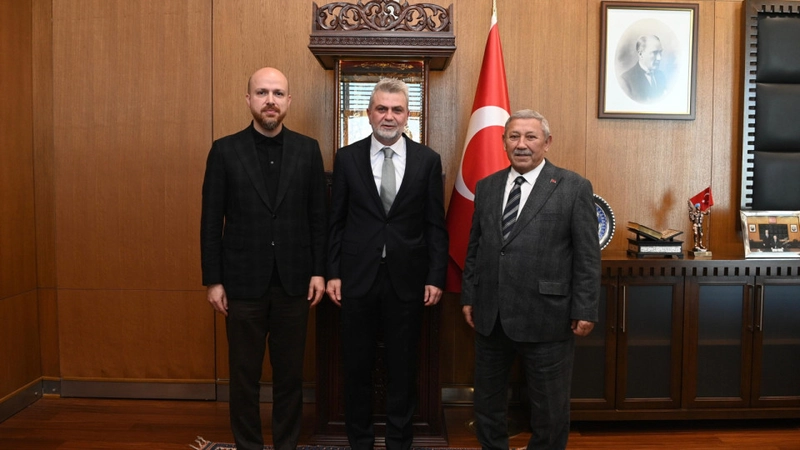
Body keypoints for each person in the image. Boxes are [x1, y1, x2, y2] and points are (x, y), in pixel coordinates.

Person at [200, 67, 327, 450]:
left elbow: (318, 218)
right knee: (244, 377)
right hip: (241, 285)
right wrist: (213, 280)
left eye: (277, 93)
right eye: (262, 92)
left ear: (288, 101)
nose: (270, 100)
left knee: (290, 377)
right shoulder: (224, 150)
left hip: (294, 283)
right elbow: (211, 220)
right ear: (248, 99)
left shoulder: (308, 149)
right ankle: (249, 446)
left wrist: (319, 272)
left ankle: (286, 444)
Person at [461, 109, 601, 450]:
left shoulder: (573, 187)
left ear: (547, 143)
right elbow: (475, 247)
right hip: (491, 314)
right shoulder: (487, 186)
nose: (521, 144)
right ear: (504, 142)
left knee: (550, 407)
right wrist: (469, 296)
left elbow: (587, 256)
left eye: (530, 137)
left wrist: (585, 309)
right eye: (514, 136)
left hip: (548, 315)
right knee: (487, 402)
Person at [325, 78, 449, 450]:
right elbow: (336, 221)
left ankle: (399, 442)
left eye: (397, 110)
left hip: (408, 280)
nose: (389, 116)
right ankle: (360, 442)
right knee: (356, 366)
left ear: (408, 115)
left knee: (403, 367)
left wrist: (436, 276)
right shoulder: (347, 158)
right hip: (356, 279)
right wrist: (333, 272)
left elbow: (435, 225)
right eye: (381, 108)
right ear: (369, 113)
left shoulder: (428, 160)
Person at [620, 35, 667, 103]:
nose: (659, 58)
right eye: (654, 53)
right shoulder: (626, 80)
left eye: (660, 52)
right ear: (641, 54)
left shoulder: (661, 76)